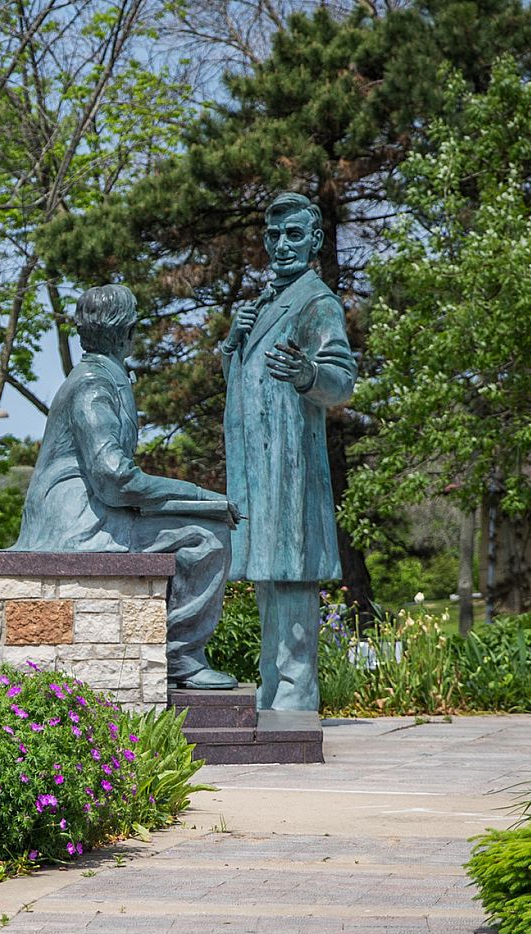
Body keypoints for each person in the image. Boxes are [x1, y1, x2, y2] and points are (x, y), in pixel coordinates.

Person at [9, 284, 238, 689]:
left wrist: (195, 500)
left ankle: (176, 653)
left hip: (91, 514)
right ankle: (180, 656)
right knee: (209, 536)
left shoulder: (101, 379)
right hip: (80, 526)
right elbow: (115, 478)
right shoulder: (93, 385)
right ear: (127, 333)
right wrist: (201, 497)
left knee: (202, 524)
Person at [222, 192, 359, 712]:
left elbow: (342, 381)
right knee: (268, 581)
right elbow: (246, 384)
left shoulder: (316, 302)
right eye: (274, 235)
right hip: (257, 469)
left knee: (292, 577)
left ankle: (296, 699)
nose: (281, 246)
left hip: (291, 467)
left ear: (315, 241)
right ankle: (272, 691)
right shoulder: (260, 304)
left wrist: (308, 375)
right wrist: (232, 347)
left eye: (293, 235)